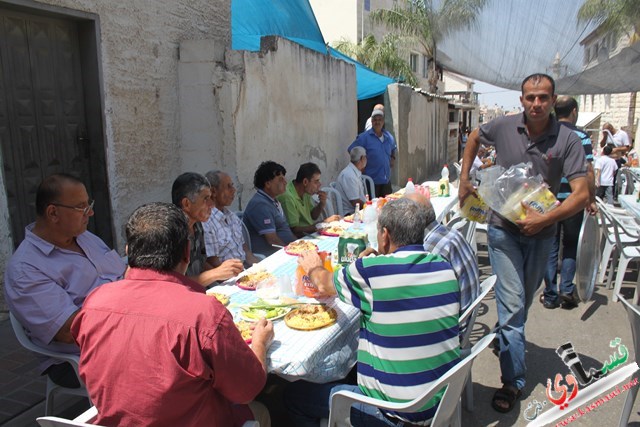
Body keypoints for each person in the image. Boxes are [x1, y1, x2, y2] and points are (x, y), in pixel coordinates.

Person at [71, 202, 273, 426]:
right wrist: (260, 343)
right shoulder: (204, 314)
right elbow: (247, 389)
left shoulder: (94, 303)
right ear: (187, 253)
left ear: (128, 251)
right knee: (262, 410)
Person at [459, 73, 589, 413]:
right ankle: (513, 381)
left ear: (553, 100)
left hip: (542, 236)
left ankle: (507, 339)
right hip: (503, 231)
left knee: (521, 304)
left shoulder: (567, 140)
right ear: (521, 99)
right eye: (530, 97)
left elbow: (581, 194)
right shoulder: (503, 127)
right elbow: (474, 137)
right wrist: (463, 179)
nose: (536, 104)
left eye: (543, 98)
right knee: (514, 307)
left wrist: (545, 219)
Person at [284, 198, 460, 426]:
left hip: (395, 412)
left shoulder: (372, 273)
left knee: (293, 396)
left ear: (385, 235)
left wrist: (313, 266)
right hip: (441, 399)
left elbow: (324, 283)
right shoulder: (444, 268)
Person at [4, 173, 126, 388]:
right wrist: (132, 313)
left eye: (89, 204)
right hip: (82, 356)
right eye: (81, 207)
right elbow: (70, 331)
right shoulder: (26, 269)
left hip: (125, 330)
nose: (90, 212)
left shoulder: (85, 237)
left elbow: (122, 274)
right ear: (53, 213)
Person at [542, 96, 596, 310]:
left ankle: (550, 294)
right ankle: (566, 289)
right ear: (574, 111)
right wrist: (590, 199)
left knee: (550, 246)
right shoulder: (581, 136)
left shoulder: (548, 133)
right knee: (571, 246)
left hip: (549, 202)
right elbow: (588, 172)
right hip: (574, 202)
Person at [405, 192, 480, 314]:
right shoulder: (450, 233)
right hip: (468, 309)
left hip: (455, 321)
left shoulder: (429, 251)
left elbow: (414, 292)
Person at [172, 173, 243, 287]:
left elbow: (201, 260)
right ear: (186, 203)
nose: (211, 204)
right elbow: (174, 283)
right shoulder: (172, 233)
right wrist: (216, 273)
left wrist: (222, 275)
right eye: (206, 199)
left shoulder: (197, 225)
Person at [202, 170, 261, 266]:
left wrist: (261, 269)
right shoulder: (207, 222)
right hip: (227, 277)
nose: (233, 190)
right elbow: (214, 264)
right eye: (228, 186)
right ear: (213, 192)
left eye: (232, 186)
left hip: (245, 270)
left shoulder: (232, 217)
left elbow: (245, 250)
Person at [244, 161, 297, 256]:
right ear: (268, 184)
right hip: (272, 256)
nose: (285, 182)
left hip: (287, 250)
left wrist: (298, 244)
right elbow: (272, 240)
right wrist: (293, 253)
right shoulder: (260, 205)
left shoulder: (272, 201)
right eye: (280, 179)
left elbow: (284, 229)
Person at [277, 162, 340, 238]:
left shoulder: (306, 191)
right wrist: (323, 223)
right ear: (305, 182)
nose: (319, 184)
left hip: (310, 234)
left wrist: (321, 204)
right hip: (299, 239)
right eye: (316, 181)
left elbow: (313, 216)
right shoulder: (288, 197)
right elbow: (294, 230)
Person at [348, 108, 397, 197]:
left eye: (380, 120)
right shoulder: (364, 137)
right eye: (375, 120)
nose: (377, 122)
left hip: (386, 181)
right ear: (371, 121)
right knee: (374, 208)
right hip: (371, 183)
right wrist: (360, 166)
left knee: (387, 206)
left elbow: (393, 148)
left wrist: (393, 158)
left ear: (383, 121)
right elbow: (351, 150)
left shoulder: (388, 136)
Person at [335, 146, 368, 215]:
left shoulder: (354, 171)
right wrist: (369, 208)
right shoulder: (349, 175)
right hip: (350, 213)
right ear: (362, 158)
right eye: (365, 157)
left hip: (358, 210)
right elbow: (355, 202)